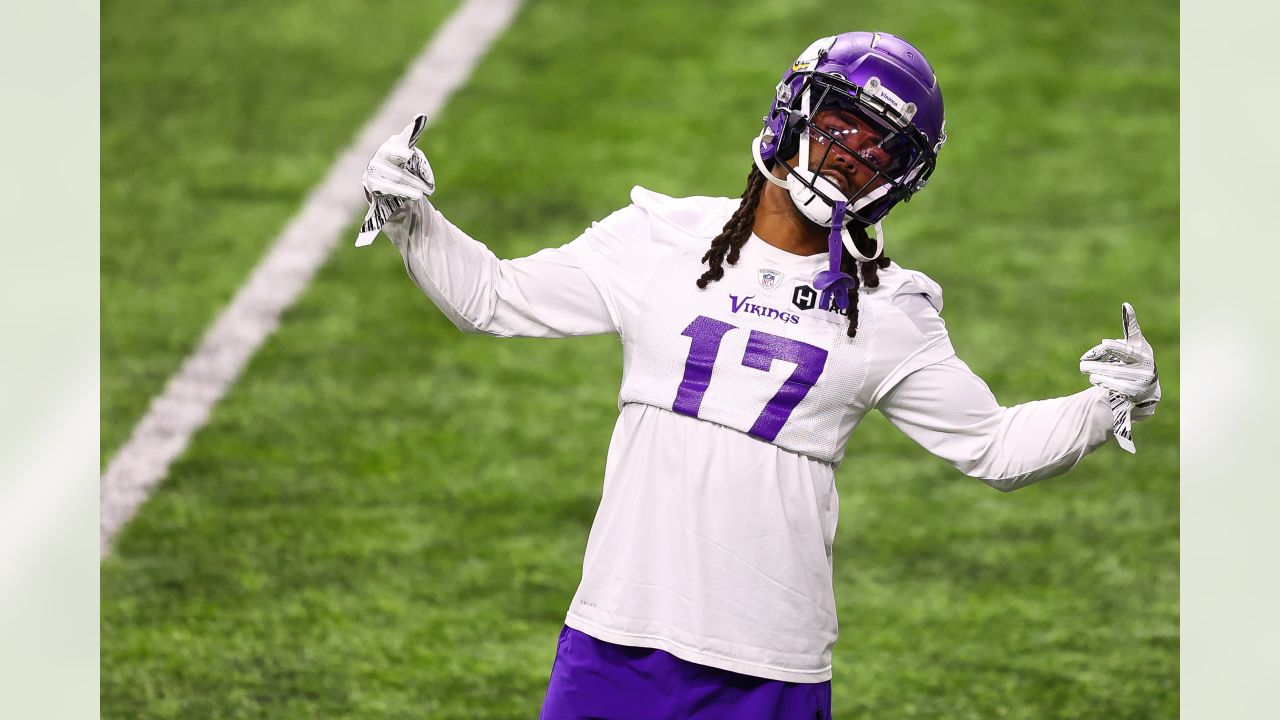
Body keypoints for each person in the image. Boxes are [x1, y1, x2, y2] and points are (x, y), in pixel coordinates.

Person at [357, 31, 1160, 720]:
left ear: (901, 179)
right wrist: (411, 215)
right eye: (844, 128)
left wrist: (1107, 402)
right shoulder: (661, 238)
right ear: (795, 113)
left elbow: (994, 447)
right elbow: (493, 297)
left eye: (878, 150)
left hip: (770, 663)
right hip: (617, 636)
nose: (850, 160)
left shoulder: (888, 310)